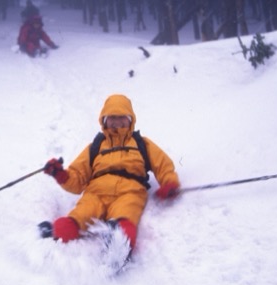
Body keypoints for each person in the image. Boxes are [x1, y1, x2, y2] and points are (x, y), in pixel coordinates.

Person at [43, 94, 180, 250]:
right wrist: (61, 175)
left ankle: (120, 242)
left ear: (130, 120)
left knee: (126, 212)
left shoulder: (141, 143)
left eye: (122, 117)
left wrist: (169, 183)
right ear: (104, 121)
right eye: (112, 118)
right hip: (96, 193)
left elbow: (163, 165)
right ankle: (59, 232)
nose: (117, 122)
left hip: (130, 191)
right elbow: (77, 179)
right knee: (81, 213)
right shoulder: (95, 147)